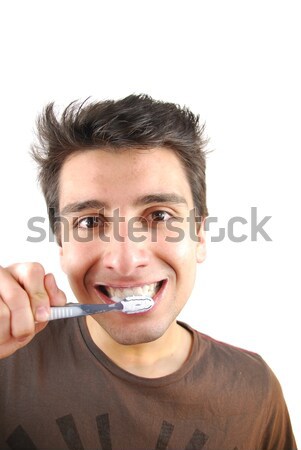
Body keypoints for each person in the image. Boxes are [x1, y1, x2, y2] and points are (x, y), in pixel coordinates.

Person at [0, 94, 296, 450]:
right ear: (61, 245)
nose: (126, 261)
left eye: (159, 216)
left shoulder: (254, 389)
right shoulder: (6, 363)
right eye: (91, 221)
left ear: (199, 235)